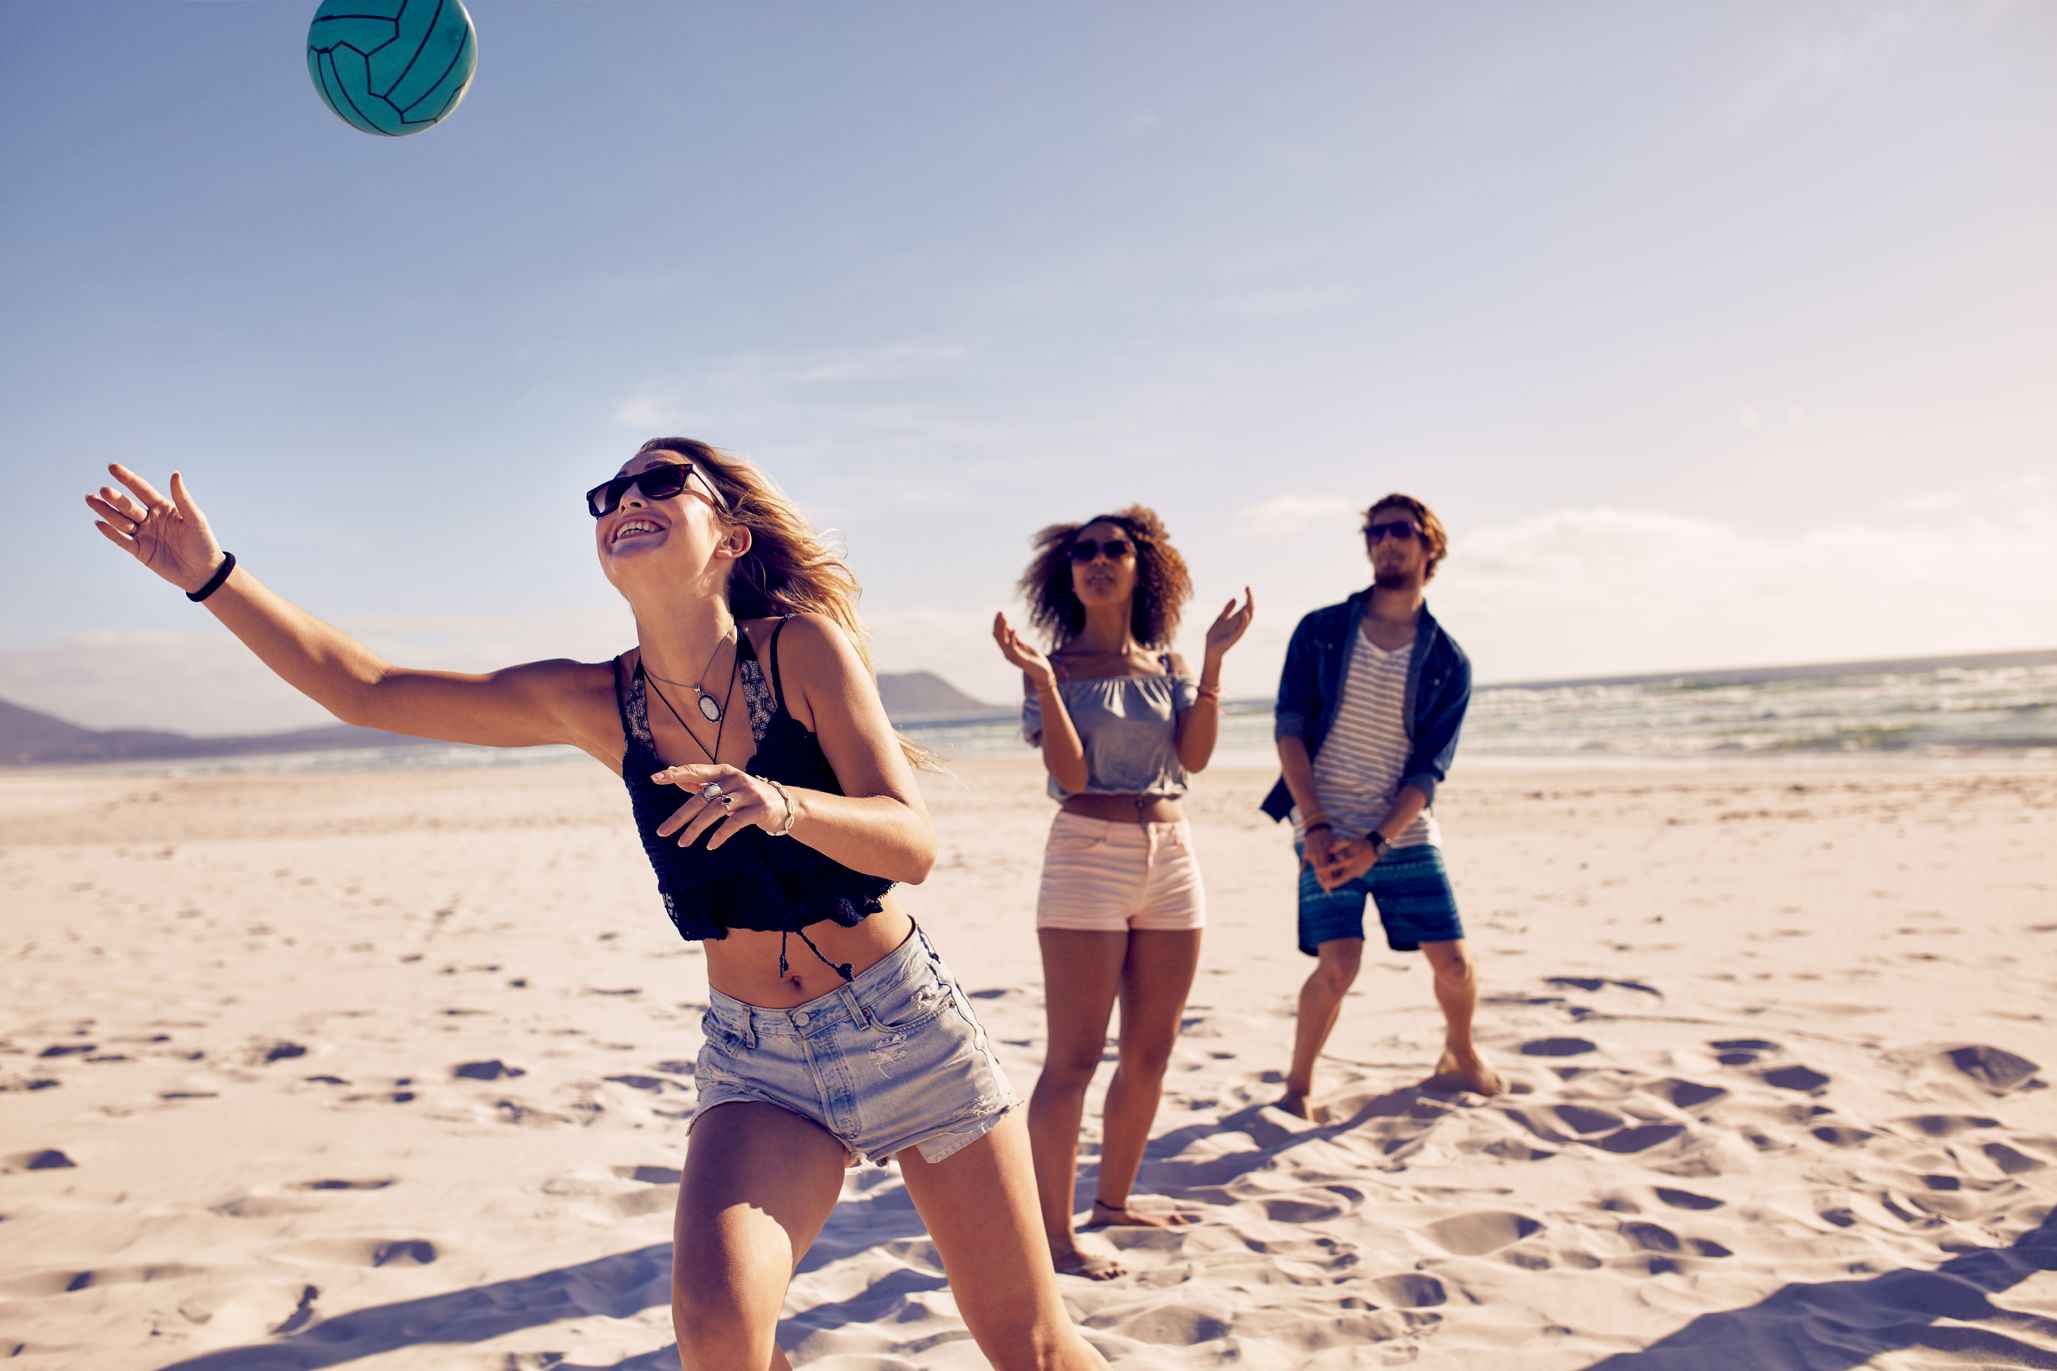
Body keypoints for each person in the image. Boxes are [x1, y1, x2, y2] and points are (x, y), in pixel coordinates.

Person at [84, 441, 1109, 1371]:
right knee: (716, 1331)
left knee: (1029, 1346)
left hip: (902, 1028)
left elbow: (911, 842)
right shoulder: (592, 701)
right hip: (759, 1061)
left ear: (730, 537)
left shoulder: (798, 650)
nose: (625, 499)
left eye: (659, 482)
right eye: (607, 494)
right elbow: (366, 689)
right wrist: (212, 578)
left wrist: (782, 803)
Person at [991, 507, 1253, 1279]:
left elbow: (1193, 759)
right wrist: (1042, 680)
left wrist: (1212, 661)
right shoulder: (1053, 668)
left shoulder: (1169, 665)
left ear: (1143, 567)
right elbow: (1071, 773)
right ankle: (1055, 1235)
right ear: (1066, 573)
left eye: (1114, 548)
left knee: (1150, 1049)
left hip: (1171, 855)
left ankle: (1112, 1202)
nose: (1098, 559)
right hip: (1085, 855)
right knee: (1073, 1057)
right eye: (1083, 551)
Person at [1261, 493, 1503, 1121]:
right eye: (1374, 533)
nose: (1386, 541)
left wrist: (1378, 842)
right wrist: (1315, 825)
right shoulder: (1320, 632)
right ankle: (1297, 1085)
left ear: (1429, 545)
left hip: (1402, 829)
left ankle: (1460, 1051)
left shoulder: (1448, 660)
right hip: (1322, 820)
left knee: (1455, 964)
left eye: (1399, 530)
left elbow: (1428, 770)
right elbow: (1289, 730)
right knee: (1338, 965)